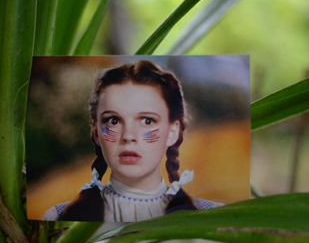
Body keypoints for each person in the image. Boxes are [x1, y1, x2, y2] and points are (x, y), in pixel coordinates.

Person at [42, 60, 223, 222]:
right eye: (113, 120)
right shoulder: (59, 216)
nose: (128, 136)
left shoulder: (212, 216)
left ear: (172, 132)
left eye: (147, 121)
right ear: (96, 132)